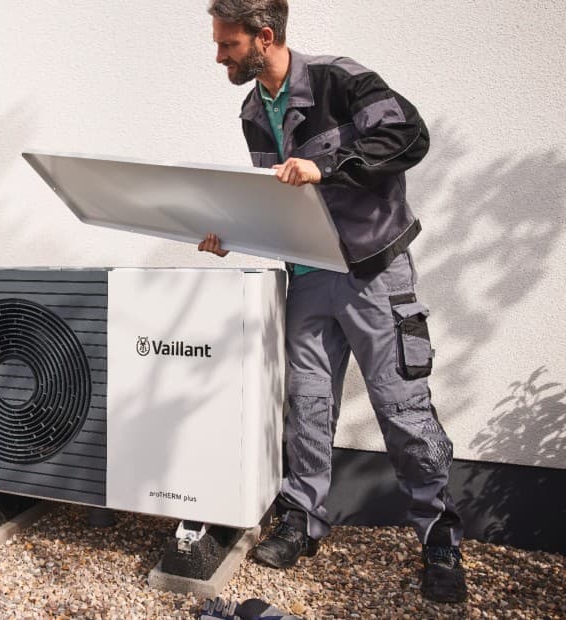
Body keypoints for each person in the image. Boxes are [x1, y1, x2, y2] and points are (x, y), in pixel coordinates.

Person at [198, 0, 467, 604]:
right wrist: (231, 236)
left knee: (402, 408)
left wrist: (329, 168)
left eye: (228, 45)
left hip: (374, 270)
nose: (219, 56)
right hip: (310, 274)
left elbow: (408, 135)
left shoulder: (340, 80)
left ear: (263, 37)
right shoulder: (251, 112)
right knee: (308, 405)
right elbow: (277, 200)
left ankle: (439, 538)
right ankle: (302, 519)